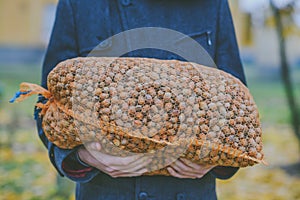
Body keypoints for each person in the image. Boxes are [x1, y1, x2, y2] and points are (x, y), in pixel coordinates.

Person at [35, 0, 247, 199]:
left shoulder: (212, 4)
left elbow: (237, 109)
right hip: (108, 191)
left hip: (188, 190)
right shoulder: (80, 4)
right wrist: (83, 157)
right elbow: (48, 102)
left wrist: (213, 160)